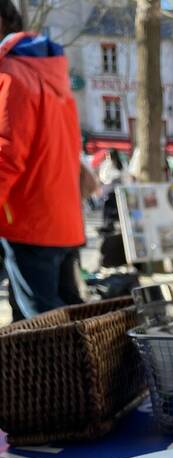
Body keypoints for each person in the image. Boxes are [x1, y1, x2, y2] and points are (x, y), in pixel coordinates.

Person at [0, 2, 85, 319]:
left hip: (29, 220)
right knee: (65, 321)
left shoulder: (11, 73)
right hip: (62, 217)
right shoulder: (51, 75)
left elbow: (5, 152)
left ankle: (73, 370)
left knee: (43, 327)